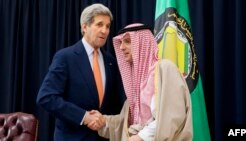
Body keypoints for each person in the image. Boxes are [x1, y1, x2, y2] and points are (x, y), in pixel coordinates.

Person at [87, 23, 193, 141]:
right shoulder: (135, 84)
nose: (121, 47)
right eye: (120, 42)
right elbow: (127, 123)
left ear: (143, 43)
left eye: (127, 41)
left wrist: (141, 137)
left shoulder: (165, 69)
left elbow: (172, 116)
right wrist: (103, 121)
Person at [36, 3, 125, 141]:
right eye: (99, 24)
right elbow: (46, 97)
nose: (104, 31)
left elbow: (115, 104)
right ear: (85, 27)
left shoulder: (111, 61)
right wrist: (84, 117)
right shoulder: (66, 57)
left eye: (107, 26)